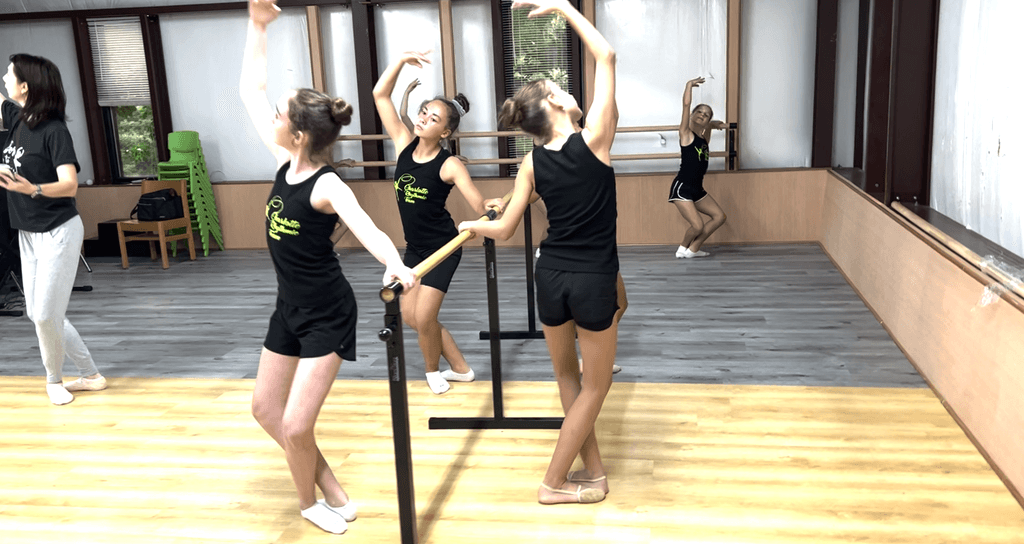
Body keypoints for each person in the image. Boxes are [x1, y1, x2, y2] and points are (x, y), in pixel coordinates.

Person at [240, 0, 416, 534]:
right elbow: (250, 90)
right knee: (266, 412)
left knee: (296, 424)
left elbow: (370, 230)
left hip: (327, 313)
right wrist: (257, 26)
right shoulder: (283, 164)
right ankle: (333, 488)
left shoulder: (326, 184)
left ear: (298, 135)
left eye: (281, 113)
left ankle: (309, 503)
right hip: (288, 308)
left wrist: (397, 265)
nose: (271, 115)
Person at [459, 0, 617, 505]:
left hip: (549, 276)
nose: (568, 89)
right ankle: (553, 483)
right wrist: (566, 8)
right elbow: (607, 56)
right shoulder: (594, 139)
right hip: (591, 277)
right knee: (595, 387)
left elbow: (504, 229)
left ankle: (592, 472)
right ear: (552, 104)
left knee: (568, 378)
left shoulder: (531, 162)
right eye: (558, 88)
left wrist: (469, 224)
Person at [373, 49, 501, 395]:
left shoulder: (450, 165)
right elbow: (379, 95)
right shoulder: (403, 144)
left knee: (424, 317)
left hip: (444, 247)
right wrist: (399, 61)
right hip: (413, 248)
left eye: (433, 119)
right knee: (413, 317)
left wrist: (490, 206)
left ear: (445, 132)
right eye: (423, 113)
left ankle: (433, 371)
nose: (423, 120)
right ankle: (461, 368)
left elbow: (477, 203)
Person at [0, 53, 106, 405]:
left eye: (9, 73)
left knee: (45, 314)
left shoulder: (54, 130)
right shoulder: (16, 119)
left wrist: (32, 188)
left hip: (58, 229)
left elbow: (70, 184)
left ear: (25, 85)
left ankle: (53, 379)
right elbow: (0, 98)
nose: (4, 77)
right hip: (27, 232)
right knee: (41, 314)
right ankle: (91, 375)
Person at [669, 76, 727, 258]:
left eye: (707, 114)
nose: (702, 115)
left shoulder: (703, 140)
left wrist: (712, 125)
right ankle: (682, 249)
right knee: (698, 225)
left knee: (719, 217)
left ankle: (693, 250)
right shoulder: (685, 134)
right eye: (700, 112)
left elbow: (706, 130)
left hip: (697, 189)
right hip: (682, 188)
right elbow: (686, 106)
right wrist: (688, 86)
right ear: (693, 115)